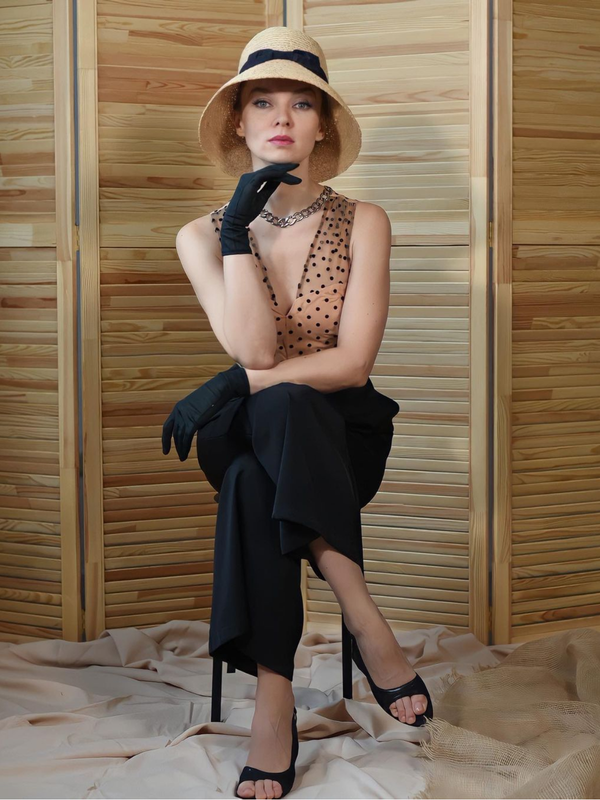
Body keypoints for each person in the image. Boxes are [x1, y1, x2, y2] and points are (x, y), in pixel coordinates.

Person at [164, 26, 434, 800]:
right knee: (271, 412)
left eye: (302, 103)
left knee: (256, 476)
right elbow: (253, 346)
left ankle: (272, 708)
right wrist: (234, 235)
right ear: (239, 122)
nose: (282, 116)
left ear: (322, 126)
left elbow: (352, 365)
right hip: (250, 429)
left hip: (340, 436)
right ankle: (366, 617)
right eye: (263, 102)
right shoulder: (199, 236)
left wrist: (235, 384)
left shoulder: (365, 220)